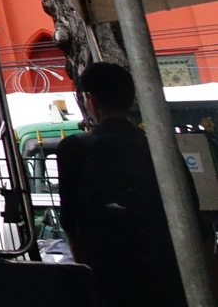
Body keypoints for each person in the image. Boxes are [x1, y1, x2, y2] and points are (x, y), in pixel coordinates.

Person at [57, 62, 192, 306]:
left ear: (90, 99)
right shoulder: (159, 149)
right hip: (163, 276)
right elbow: (191, 213)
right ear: (130, 99)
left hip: (107, 278)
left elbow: (70, 222)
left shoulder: (74, 149)